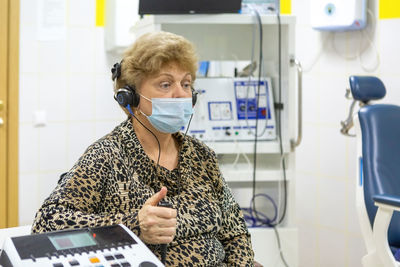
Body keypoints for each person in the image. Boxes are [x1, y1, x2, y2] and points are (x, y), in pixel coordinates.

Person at [32, 31, 255, 266]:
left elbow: (236, 234)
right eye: (165, 84)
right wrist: (132, 225)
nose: (181, 94)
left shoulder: (202, 156)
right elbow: (47, 223)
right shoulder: (106, 156)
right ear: (130, 98)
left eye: (186, 84)